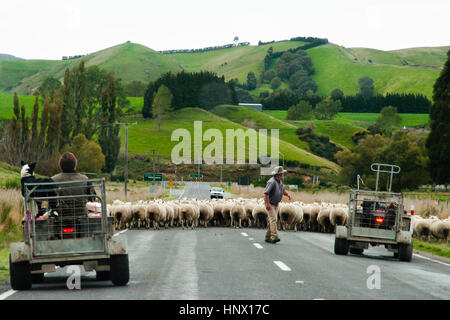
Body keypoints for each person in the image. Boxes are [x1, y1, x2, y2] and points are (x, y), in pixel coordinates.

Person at [51, 152, 96, 219]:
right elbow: (93, 198)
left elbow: (49, 199)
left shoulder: (53, 180)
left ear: (60, 165)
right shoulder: (85, 179)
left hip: (60, 215)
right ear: (75, 164)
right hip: (81, 214)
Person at [264, 166, 291, 244]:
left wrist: (287, 194)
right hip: (270, 204)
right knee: (274, 219)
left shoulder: (280, 182)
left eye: (282, 173)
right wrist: (267, 203)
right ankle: (274, 236)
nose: (282, 175)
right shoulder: (271, 182)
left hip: (276, 203)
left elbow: (282, 190)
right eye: (281, 173)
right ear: (277, 174)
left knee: (271, 220)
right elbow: (266, 193)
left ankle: (267, 236)